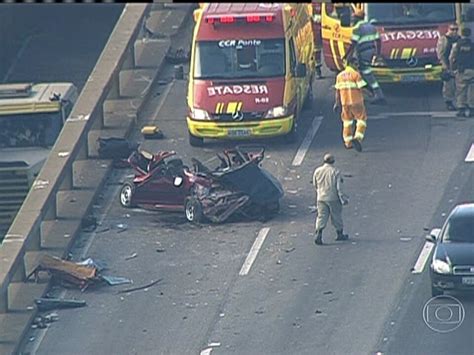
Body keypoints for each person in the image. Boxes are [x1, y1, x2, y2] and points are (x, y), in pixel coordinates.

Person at [344, 8, 386, 105]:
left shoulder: (357, 29)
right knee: (364, 72)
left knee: (366, 73)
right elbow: (378, 40)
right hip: (371, 51)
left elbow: (353, 44)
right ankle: (373, 92)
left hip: (363, 52)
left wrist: (347, 56)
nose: (352, 20)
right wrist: (377, 53)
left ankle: (378, 95)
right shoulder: (371, 26)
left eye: (353, 18)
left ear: (357, 18)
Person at [312, 153, 349, 245]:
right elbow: (339, 188)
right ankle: (339, 233)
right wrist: (343, 199)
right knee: (336, 216)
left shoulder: (317, 171)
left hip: (321, 197)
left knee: (321, 216)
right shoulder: (336, 172)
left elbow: (315, 184)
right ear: (333, 161)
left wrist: (319, 192)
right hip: (333, 198)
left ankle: (318, 233)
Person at [333, 57, 367, 152]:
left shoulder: (339, 76)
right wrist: (372, 94)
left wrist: (336, 103)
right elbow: (362, 88)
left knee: (347, 122)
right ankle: (357, 138)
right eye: (356, 64)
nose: (357, 66)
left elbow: (337, 91)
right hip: (357, 102)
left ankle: (348, 142)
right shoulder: (356, 75)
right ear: (351, 64)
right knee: (361, 120)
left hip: (345, 103)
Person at [450, 27, 474, 118]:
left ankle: (461, 109)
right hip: (472, 69)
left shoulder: (457, 45)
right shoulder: (472, 45)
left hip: (461, 70)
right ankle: (472, 109)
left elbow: (452, 58)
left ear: (461, 34)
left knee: (461, 90)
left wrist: (453, 68)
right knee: (472, 90)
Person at [436, 24, 460, 111]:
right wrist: (444, 65)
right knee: (448, 86)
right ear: (448, 29)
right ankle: (449, 102)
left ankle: (460, 103)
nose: (454, 31)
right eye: (452, 29)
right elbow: (440, 53)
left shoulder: (459, 39)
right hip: (447, 65)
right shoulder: (444, 39)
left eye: (456, 29)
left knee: (459, 86)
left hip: (458, 66)